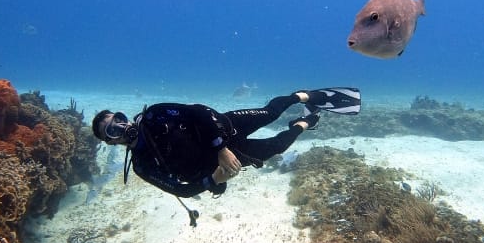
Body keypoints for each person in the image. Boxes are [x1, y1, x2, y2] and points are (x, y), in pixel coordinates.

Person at [91, 88, 361, 226]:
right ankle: (304, 123)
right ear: (110, 142)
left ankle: (302, 96)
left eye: (120, 118)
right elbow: (181, 190)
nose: (122, 126)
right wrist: (214, 179)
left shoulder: (155, 114)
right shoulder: (142, 165)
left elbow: (198, 111)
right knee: (277, 146)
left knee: (270, 113)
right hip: (221, 164)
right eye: (112, 130)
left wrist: (221, 147)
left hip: (224, 128)